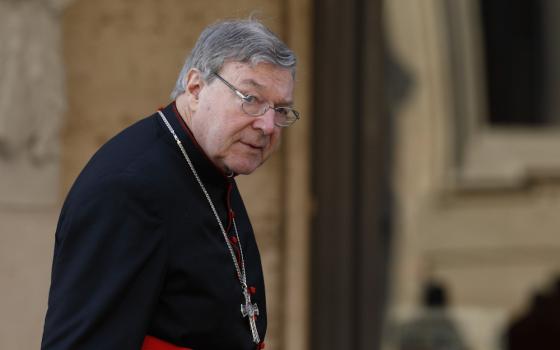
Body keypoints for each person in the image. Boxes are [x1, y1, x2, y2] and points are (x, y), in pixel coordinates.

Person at [41, 18, 299, 350]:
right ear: (195, 88)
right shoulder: (126, 190)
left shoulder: (212, 167)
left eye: (280, 110)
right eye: (250, 98)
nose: (267, 125)